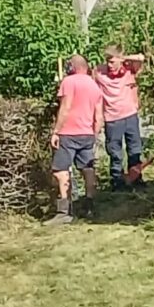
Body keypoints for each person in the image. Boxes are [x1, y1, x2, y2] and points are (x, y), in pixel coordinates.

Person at [47, 55, 102, 223]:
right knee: (87, 169)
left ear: (71, 67)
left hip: (68, 133)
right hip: (87, 133)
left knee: (61, 170)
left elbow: (65, 107)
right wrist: (94, 133)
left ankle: (64, 212)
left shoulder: (69, 82)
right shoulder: (94, 85)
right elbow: (99, 115)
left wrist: (56, 131)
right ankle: (89, 206)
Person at [93, 45, 148, 190]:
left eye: (112, 62)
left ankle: (135, 178)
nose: (109, 65)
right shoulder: (99, 72)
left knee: (134, 149)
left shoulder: (129, 70)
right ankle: (117, 180)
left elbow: (141, 58)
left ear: (120, 60)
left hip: (130, 115)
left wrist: (123, 58)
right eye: (107, 61)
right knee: (115, 152)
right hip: (112, 118)